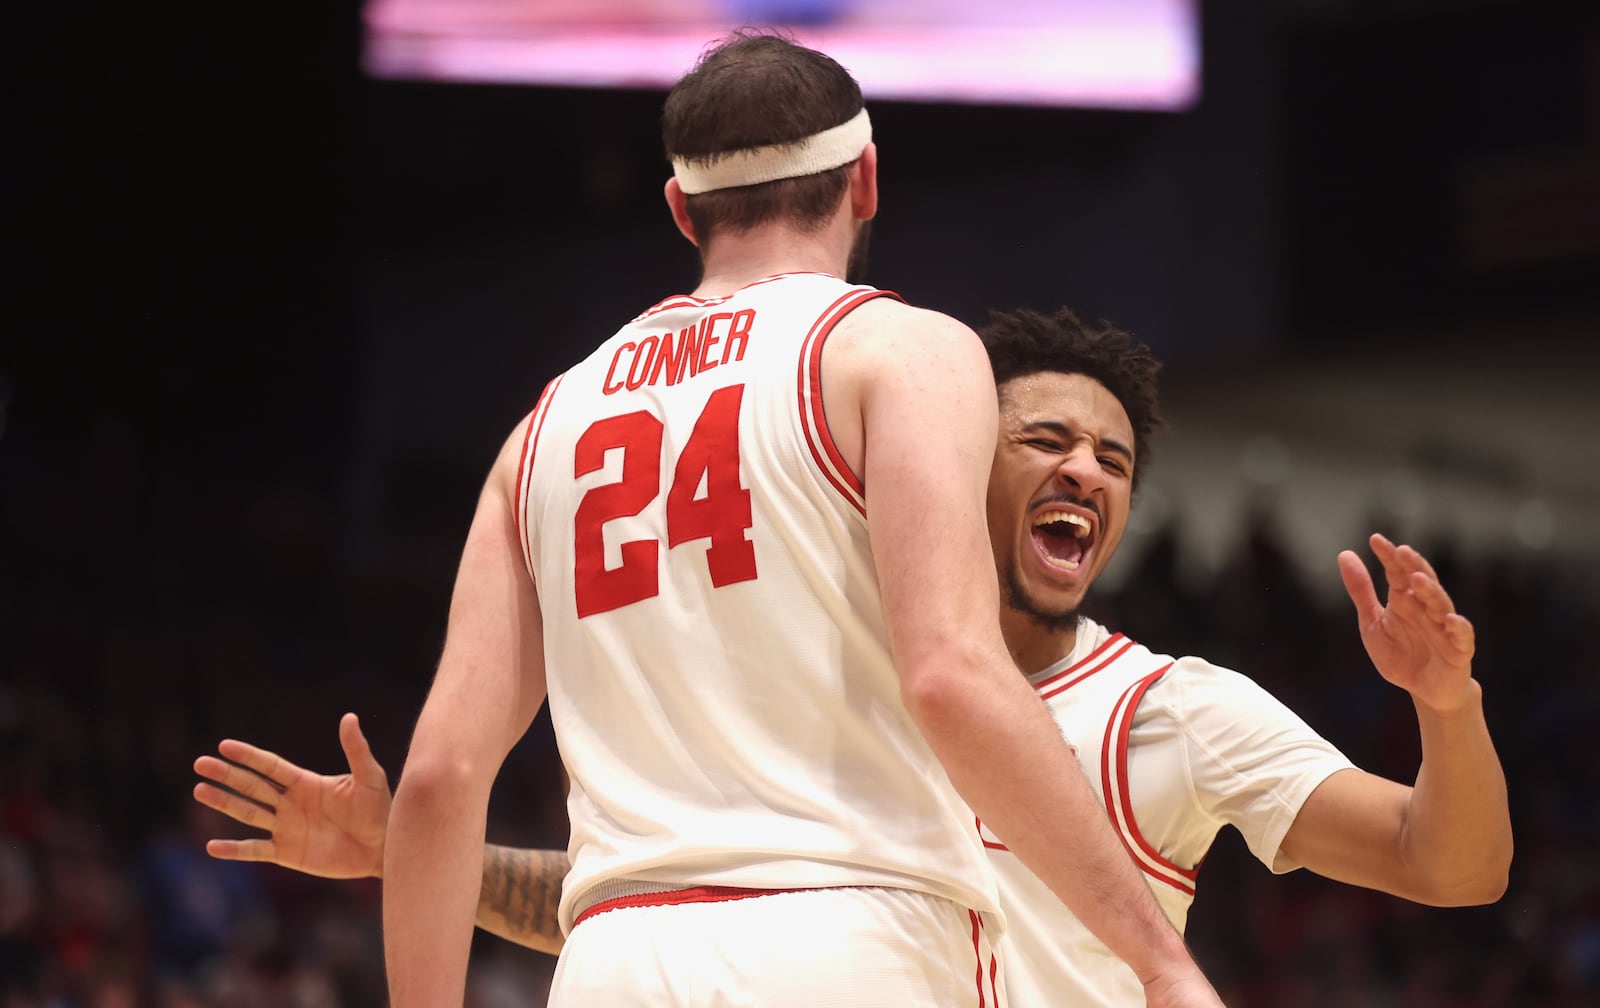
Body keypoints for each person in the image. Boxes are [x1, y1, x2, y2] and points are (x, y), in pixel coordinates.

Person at [195, 306, 1513, 1005]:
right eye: (1044, 439)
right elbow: (636, 900)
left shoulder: (1169, 710)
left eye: (1112, 460)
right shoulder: (814, 674)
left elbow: (1450, 867)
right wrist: (411, 855)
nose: (1084, 471)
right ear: (933, 459)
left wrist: (1446, 706)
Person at [358, 29, 1217, 1008]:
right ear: (866, 179)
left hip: (609, 959)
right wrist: (1158, 957)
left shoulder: (544, 425)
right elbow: (951, 674)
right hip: (846, 935)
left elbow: (435, 780)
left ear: (682, 209)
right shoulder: (899, 350)